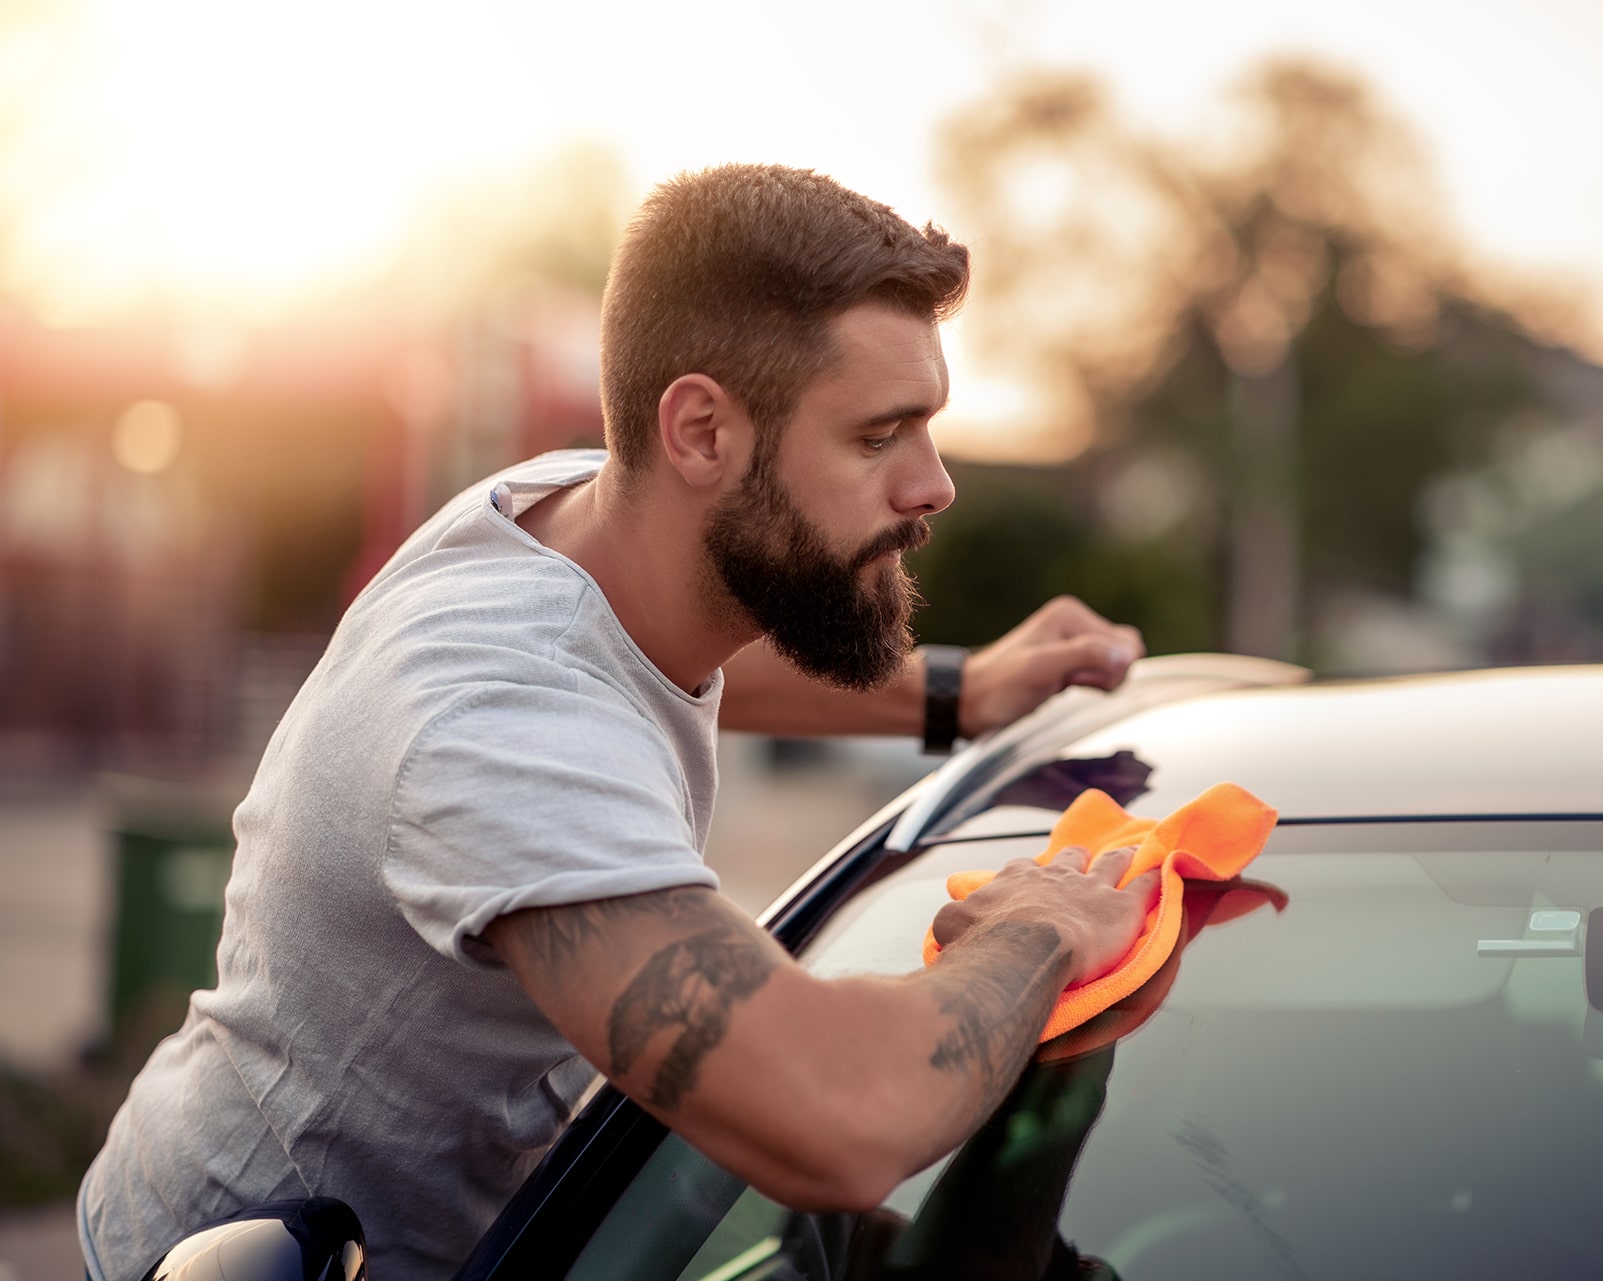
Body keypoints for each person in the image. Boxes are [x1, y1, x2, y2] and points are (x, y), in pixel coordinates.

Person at [78, 164, 1155, 1281]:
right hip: (244, 1257)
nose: (934, 485)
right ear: (698, 431)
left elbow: (705, 636)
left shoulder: (580, 510)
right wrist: (1039, 928)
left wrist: (959, 693)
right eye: (880, 435)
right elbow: (842, 1119)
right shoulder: (498, 727)